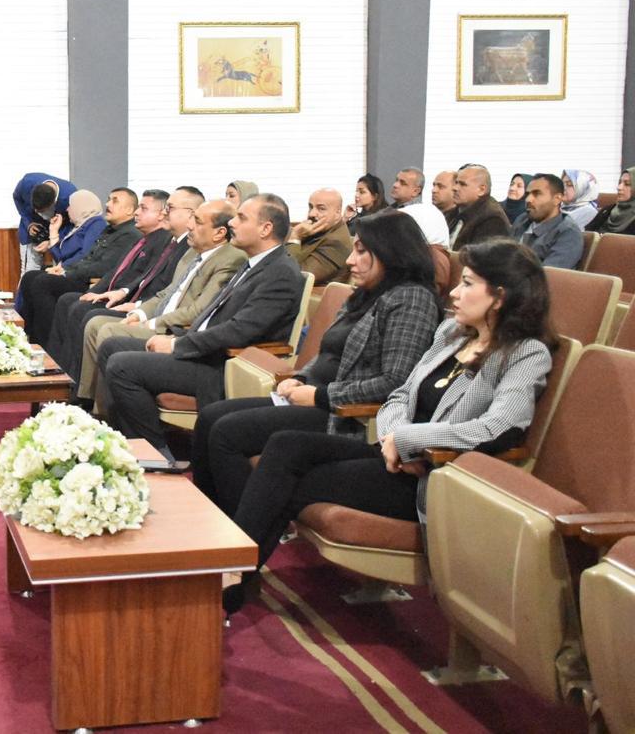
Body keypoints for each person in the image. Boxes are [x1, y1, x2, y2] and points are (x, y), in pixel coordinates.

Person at [223, 238, 555, 614]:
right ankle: (229, 573)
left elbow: (499, 427)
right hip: (393, 456)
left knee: (291, 483)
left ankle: (229, 585)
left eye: (467, 283)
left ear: (500, 296)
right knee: (286, 445)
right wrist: (392, 438)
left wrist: (410, 440)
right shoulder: (451, 333)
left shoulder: (526, 353)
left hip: (434, 476)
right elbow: (401, 394)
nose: (454, 293)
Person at [192, 210, 442, 513]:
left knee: (227, 433)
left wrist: (320, 395)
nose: (350, 260)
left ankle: (239, 524)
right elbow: (327, 354)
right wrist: (301, 378)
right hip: (312, 397)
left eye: (361, 251)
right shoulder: (365, 294)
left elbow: (394, 381)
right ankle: (208, 515)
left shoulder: (412, 299)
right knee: (211, 417)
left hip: (346, 415)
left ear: (392, 254)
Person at [98, 194, 306, 455]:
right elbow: (212, 315)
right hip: (203, 350)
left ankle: (155, 454)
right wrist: (176, 337)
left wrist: (177, 345)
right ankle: (126, 441)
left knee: (122, 366)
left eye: (241, 218)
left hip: (222, 364)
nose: (232, 223)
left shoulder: (280, 272)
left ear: (265, 229)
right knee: (112, 346)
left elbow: (239, 331)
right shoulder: (253, 263)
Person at [68, 198, 245, 409]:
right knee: (95, 323)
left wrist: (152, 323)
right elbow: (167, 293)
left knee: (108, 331)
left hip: (176, 330)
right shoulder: (192, 251)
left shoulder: (231, 259)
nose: (190, 225)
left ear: (219, 233)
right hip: (160, 318)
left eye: (197, 221)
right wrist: (140, 313)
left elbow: (199, 310)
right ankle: (86, 398)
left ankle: (103, 412)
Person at [45, 188, 200, 376]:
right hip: (132, 299)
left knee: (86, 313)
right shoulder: (160, 240)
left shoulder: (175, 243)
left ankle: (72, 379)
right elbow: (126, 273)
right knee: (73, 302)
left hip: (149, 311)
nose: (137, 213)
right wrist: (119, 292)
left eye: (143, 208)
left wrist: (136, 304)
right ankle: (59, 369)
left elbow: (164, 288)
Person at [16, 188, 141, 343]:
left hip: (93, 283)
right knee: (30, 277)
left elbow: (103, 267)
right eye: (108, 199)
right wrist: (65, 269)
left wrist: (66, 272)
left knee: (43, 282)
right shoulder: (109, 229)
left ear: (130, 210)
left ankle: (45, 342)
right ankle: (29, 337)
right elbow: (88, 258)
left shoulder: (127, 233)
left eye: (114, 201)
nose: (107, 204)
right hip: (81, 275)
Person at [510, 174, 584, 269]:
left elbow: (548, 275)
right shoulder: (522, 219)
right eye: (527, 194)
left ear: (557, 199)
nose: (528, 199)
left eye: (537, 194)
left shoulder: (568, 233)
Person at [285, 188, 353, 285]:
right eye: (310, 207)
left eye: (321, 209)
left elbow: (294, 277)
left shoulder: (336, 244)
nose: (311, 214)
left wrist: (295, 237)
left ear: (338, 212)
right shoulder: (317, 230)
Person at [13, 173, 76, 273]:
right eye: (35, 209)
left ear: (53, 203)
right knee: (29, 271)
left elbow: (72, 227)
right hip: (32, 229)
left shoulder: (70, 196)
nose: (37, 212)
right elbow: (17, 197)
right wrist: (29, 222)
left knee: (58, 271)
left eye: (41, 211)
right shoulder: (27, 182)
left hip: (59, 232)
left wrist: (52, 242)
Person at [450, 164, 511, 250]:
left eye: (462, 184)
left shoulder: (492, 218)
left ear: (481, 190)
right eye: (456, 183)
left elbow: (479, 256)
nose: (455, 188)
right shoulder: (458, 210)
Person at [388, 168, 450, 248]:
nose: (395, 185)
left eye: (403, 183)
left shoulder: (422, 214)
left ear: (416, 191)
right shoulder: (389, 210)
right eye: (396, 180)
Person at [588, 168, 635, 235]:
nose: (619, 187)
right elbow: (586, 234)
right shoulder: (607, 210)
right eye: (619, 183)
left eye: (627, 184)